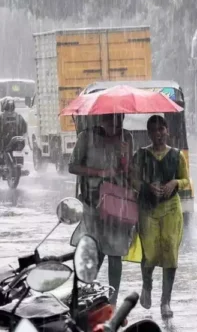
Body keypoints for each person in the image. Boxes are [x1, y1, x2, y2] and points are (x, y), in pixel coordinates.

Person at [69, 113, 134, 306]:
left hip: (117, 203)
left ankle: (112, 302)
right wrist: (100, 173)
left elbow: (129, 171)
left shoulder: (126, 138)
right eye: (111, 121)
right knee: (92, 250)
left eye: (120, 120)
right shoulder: (86, 137)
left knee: (115, 252)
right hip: (92, 202)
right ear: (102, 121)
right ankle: (86, 296)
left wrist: (125, 158)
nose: (115, 125)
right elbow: (72, 166)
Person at [131, 115, 188, 319]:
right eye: (154, 130)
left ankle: (166, 301)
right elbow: (133, 180)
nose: (158, 134)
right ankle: (147, 285)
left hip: (172, 209)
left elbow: (186, 180)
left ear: (167, 131)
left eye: (161, 129)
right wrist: (147, 187)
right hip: (148, 209)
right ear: (148, 134)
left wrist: (175, 184)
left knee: (170, 252)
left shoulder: (176, 155)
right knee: (151, 253)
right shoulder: (141, 155)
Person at [0, 97, 28, 168]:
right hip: (18, 142)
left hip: (4, 142)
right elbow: (24, 129)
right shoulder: (19, 117)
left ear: (4, 106)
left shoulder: (0, 117)